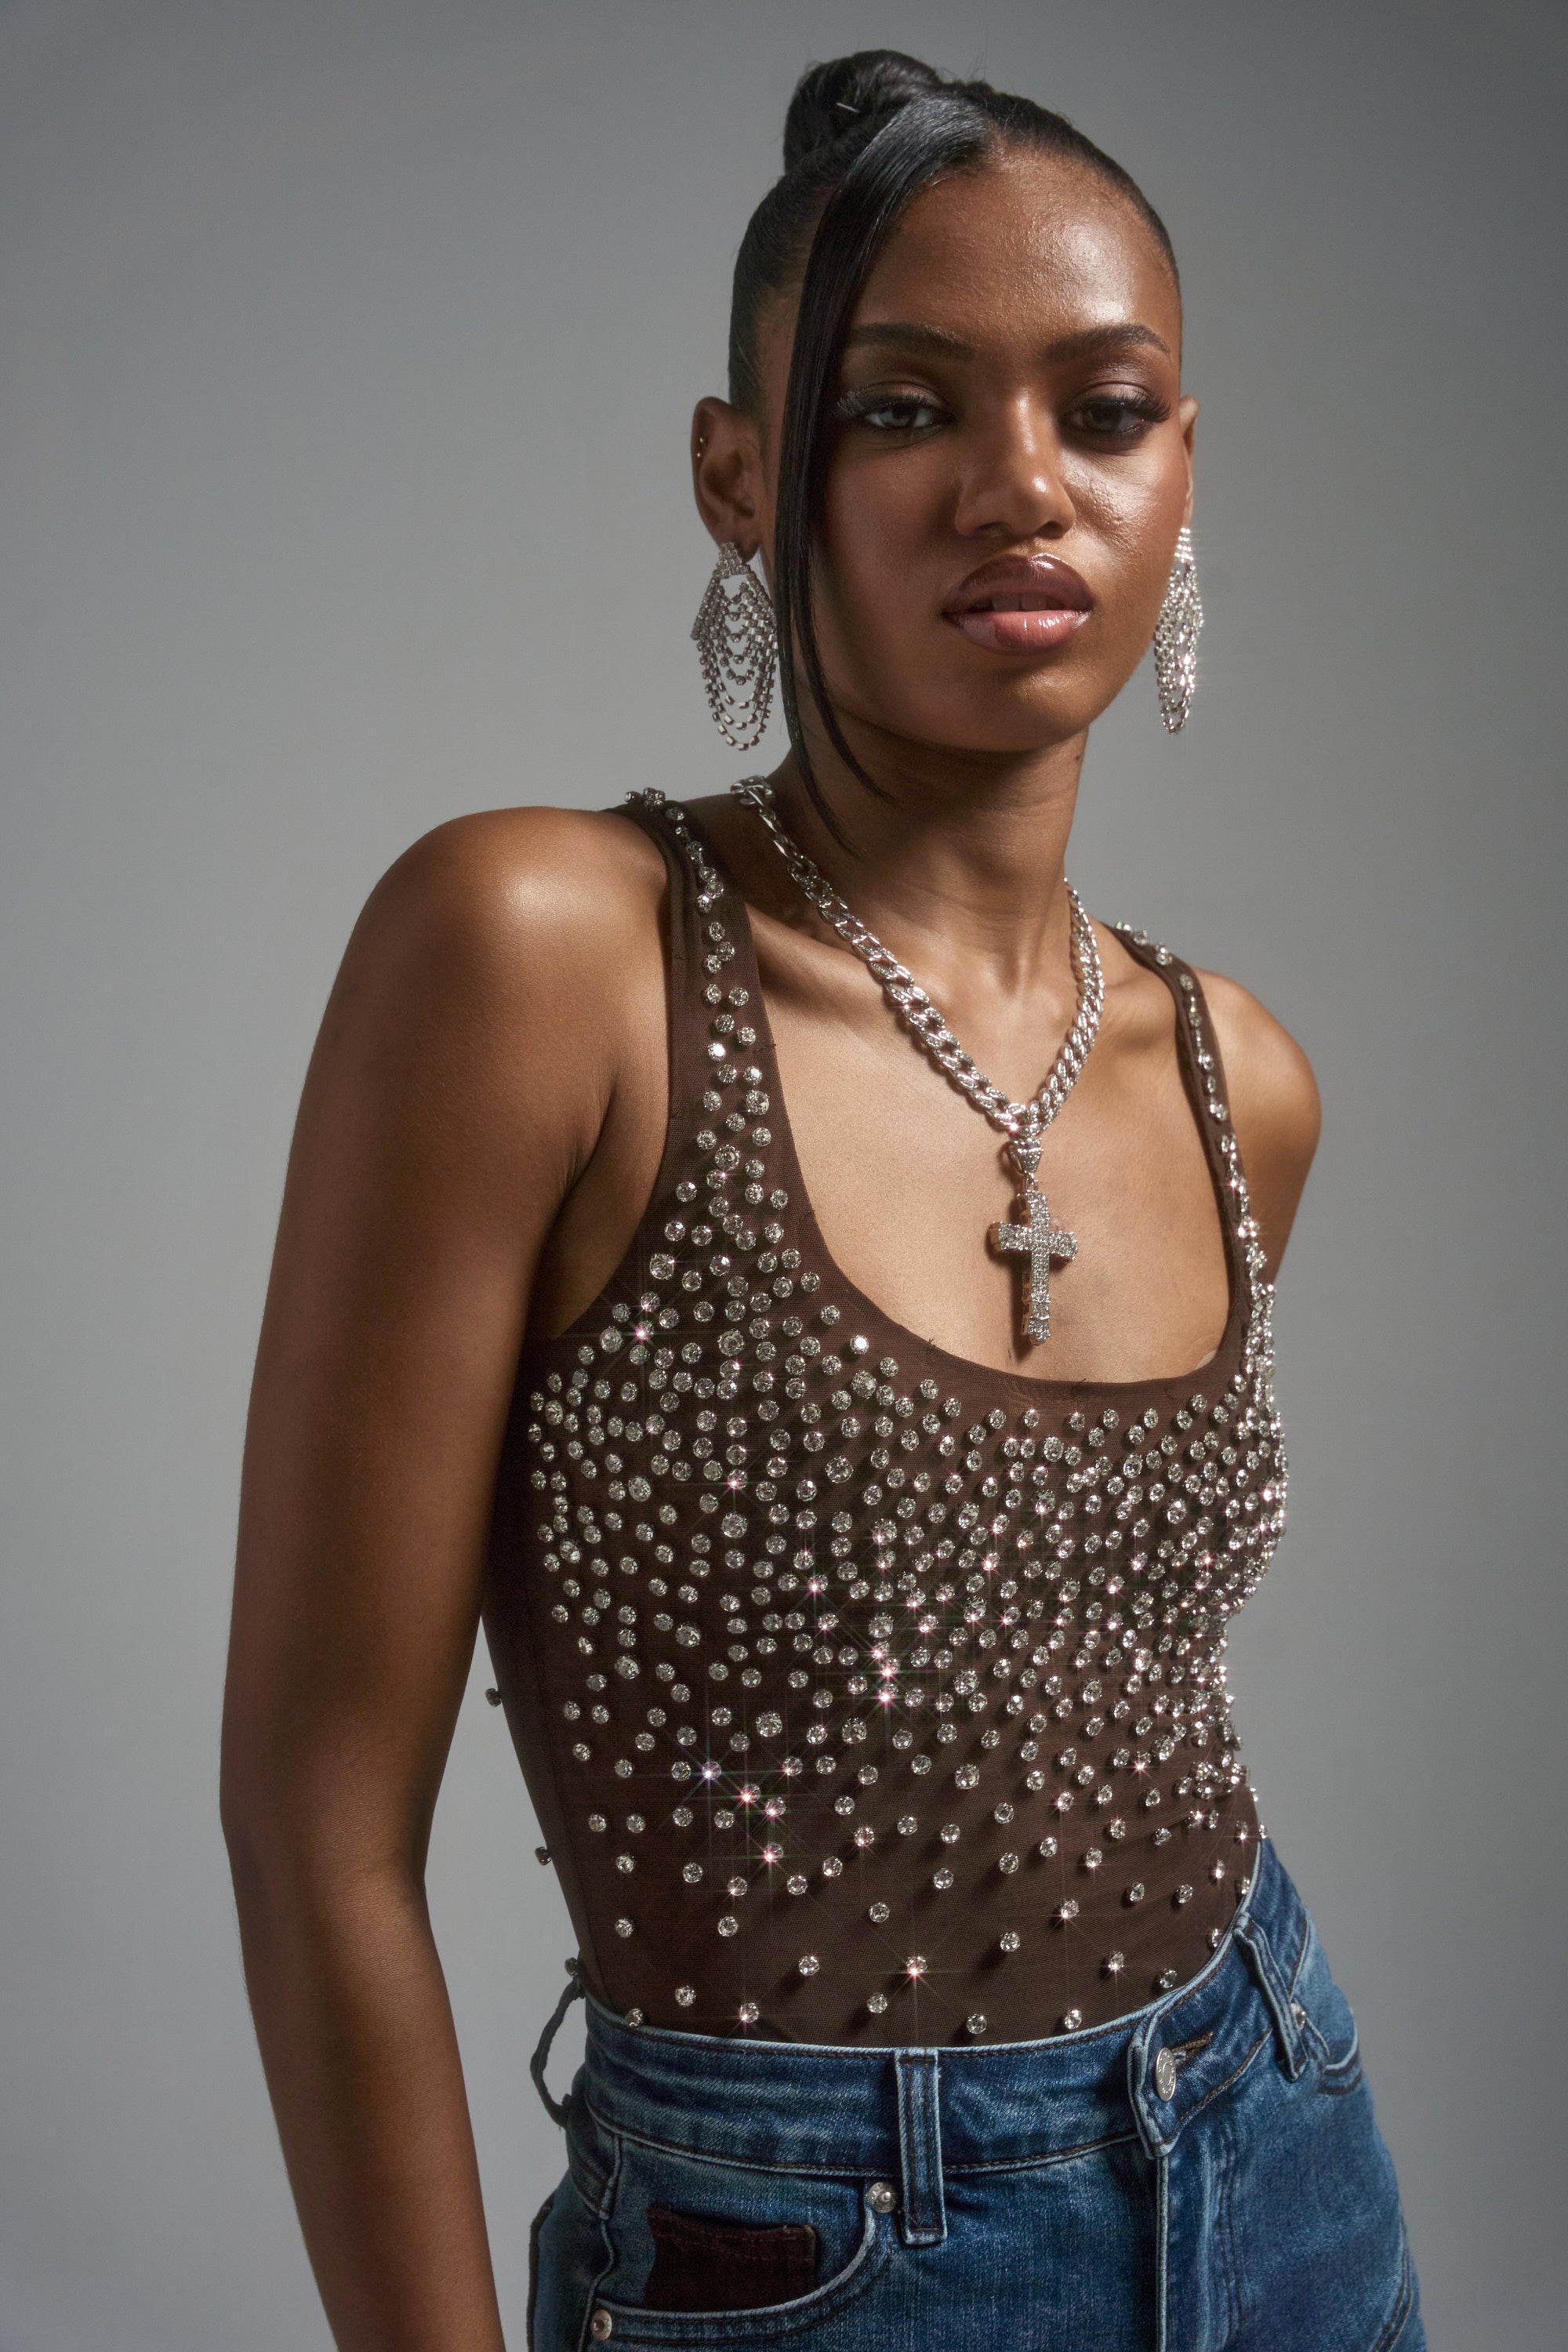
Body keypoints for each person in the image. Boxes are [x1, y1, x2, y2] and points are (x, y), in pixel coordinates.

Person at [222, 48, 1423, 2352]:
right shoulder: (544, 955)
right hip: (810, 2258)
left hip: (1282, 2155)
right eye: (900, 411)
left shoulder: (1233, 1075)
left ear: (1184, 477)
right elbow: (313, 1822)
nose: (1017, 486)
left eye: (1106, 408)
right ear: (738, 470)